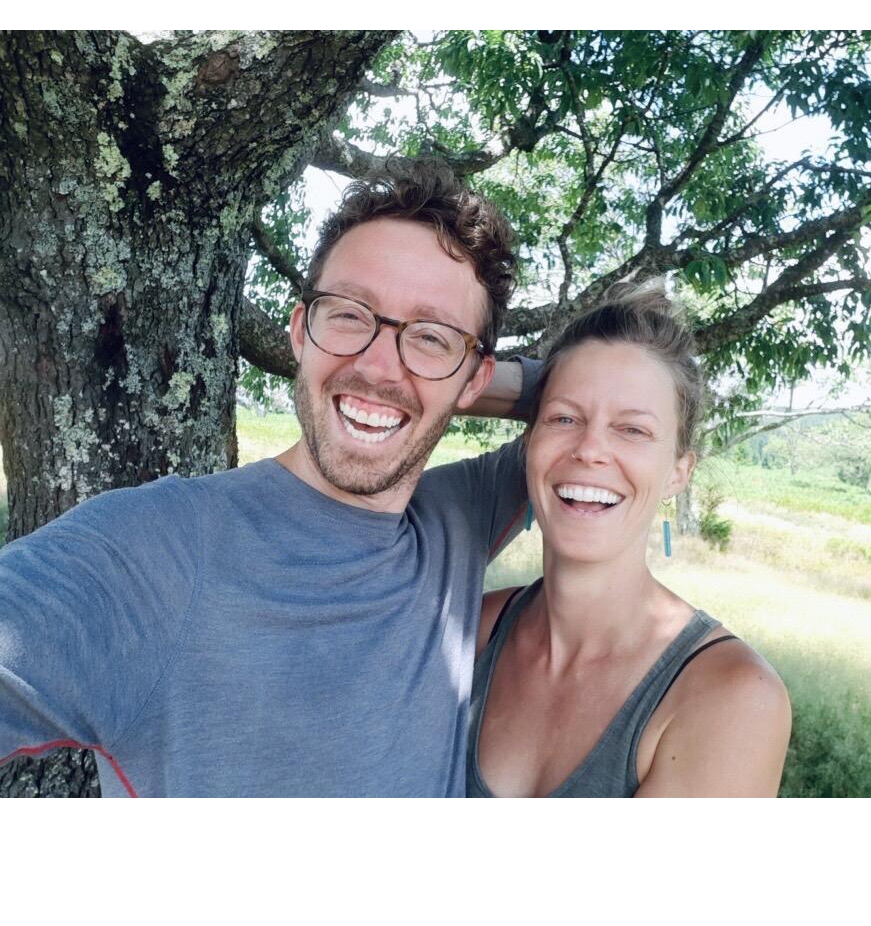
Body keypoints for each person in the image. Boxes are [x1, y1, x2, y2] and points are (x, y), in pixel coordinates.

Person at [0, 159, 538, 797]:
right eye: (348, 314)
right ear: (298, 332)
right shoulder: (154, 551)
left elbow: (591, 391)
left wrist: (451, 378)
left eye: (430, 336)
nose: (377, 367)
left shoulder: (462, 516)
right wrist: (437, 366)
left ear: (477, 378)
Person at [467, 284, 791, 797]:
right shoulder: (476, 630)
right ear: (527, 445)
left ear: (677, 473)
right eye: (564, 418)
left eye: (633, 430)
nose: (591, 449)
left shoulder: (728, 696)